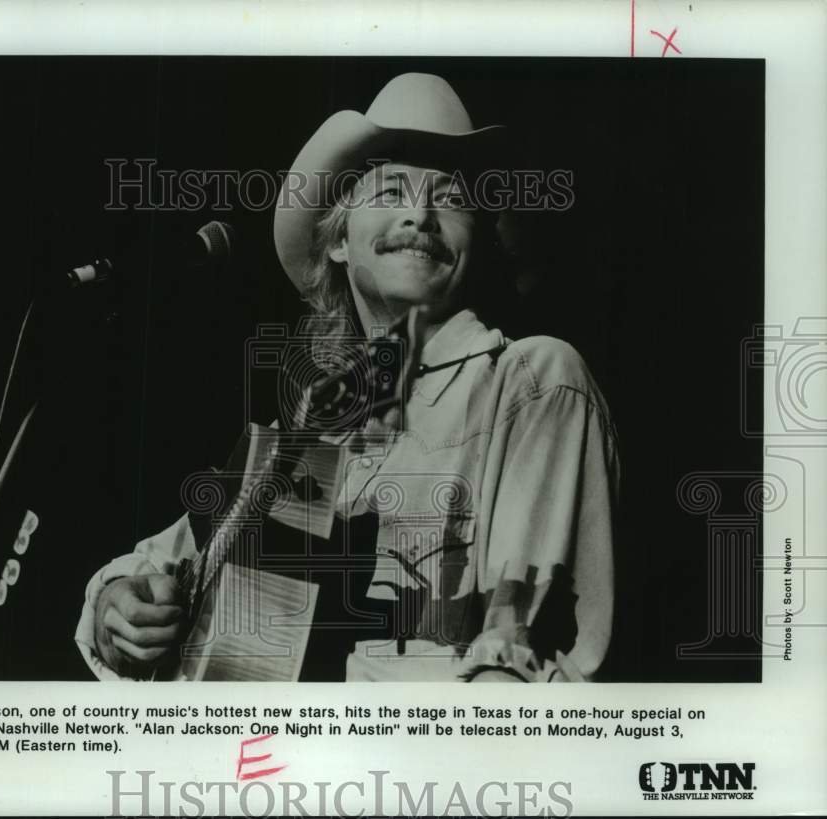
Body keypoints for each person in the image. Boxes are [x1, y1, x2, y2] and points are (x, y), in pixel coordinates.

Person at [75, 73, 619, 682]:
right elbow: (164, 564)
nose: (420, 214)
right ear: (338, 240)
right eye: (389, 191)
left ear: (481, 245)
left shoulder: (532, 379)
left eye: (451, 197)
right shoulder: (310, 434)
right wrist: (115, 606)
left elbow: (517, 667)